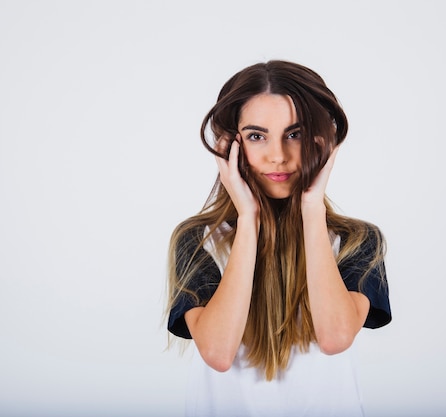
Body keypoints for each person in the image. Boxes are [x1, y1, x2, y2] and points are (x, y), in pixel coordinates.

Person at [165, 60, 392, 417]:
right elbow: (218, 352)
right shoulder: (198, 240)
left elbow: (335, 339)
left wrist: (312, 207)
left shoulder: (356, 241)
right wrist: (248, 217)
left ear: (322, 140)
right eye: (257, 136)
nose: (278, 156)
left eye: (295, 134)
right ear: (230, 145)